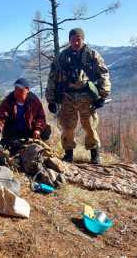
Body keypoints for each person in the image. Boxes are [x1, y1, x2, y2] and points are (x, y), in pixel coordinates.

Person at [46, 28, 111, 164]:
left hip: (86, 96)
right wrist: (51, 99)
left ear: (83, 39)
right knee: (68, 126)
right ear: (69, 40)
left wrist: (103, 95)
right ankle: (68, 154)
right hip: (67, 97)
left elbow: (103, 74)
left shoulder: (92, 55)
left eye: (78, 39)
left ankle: (94, 155)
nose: (75, 42)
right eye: (73, 39)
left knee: (89, 125)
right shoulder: (62, 57)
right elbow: (52, 78)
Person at [0, 78, 51, 143]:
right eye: (16, 89)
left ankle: (35, 141)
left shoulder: (34, 101)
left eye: (20, 90)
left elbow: (41, 117)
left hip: (29, 132)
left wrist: (38, 129)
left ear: (27, 90)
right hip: (13, 132)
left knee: (47, 129)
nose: (17, 93)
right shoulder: (8, 100)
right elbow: (0, 117)